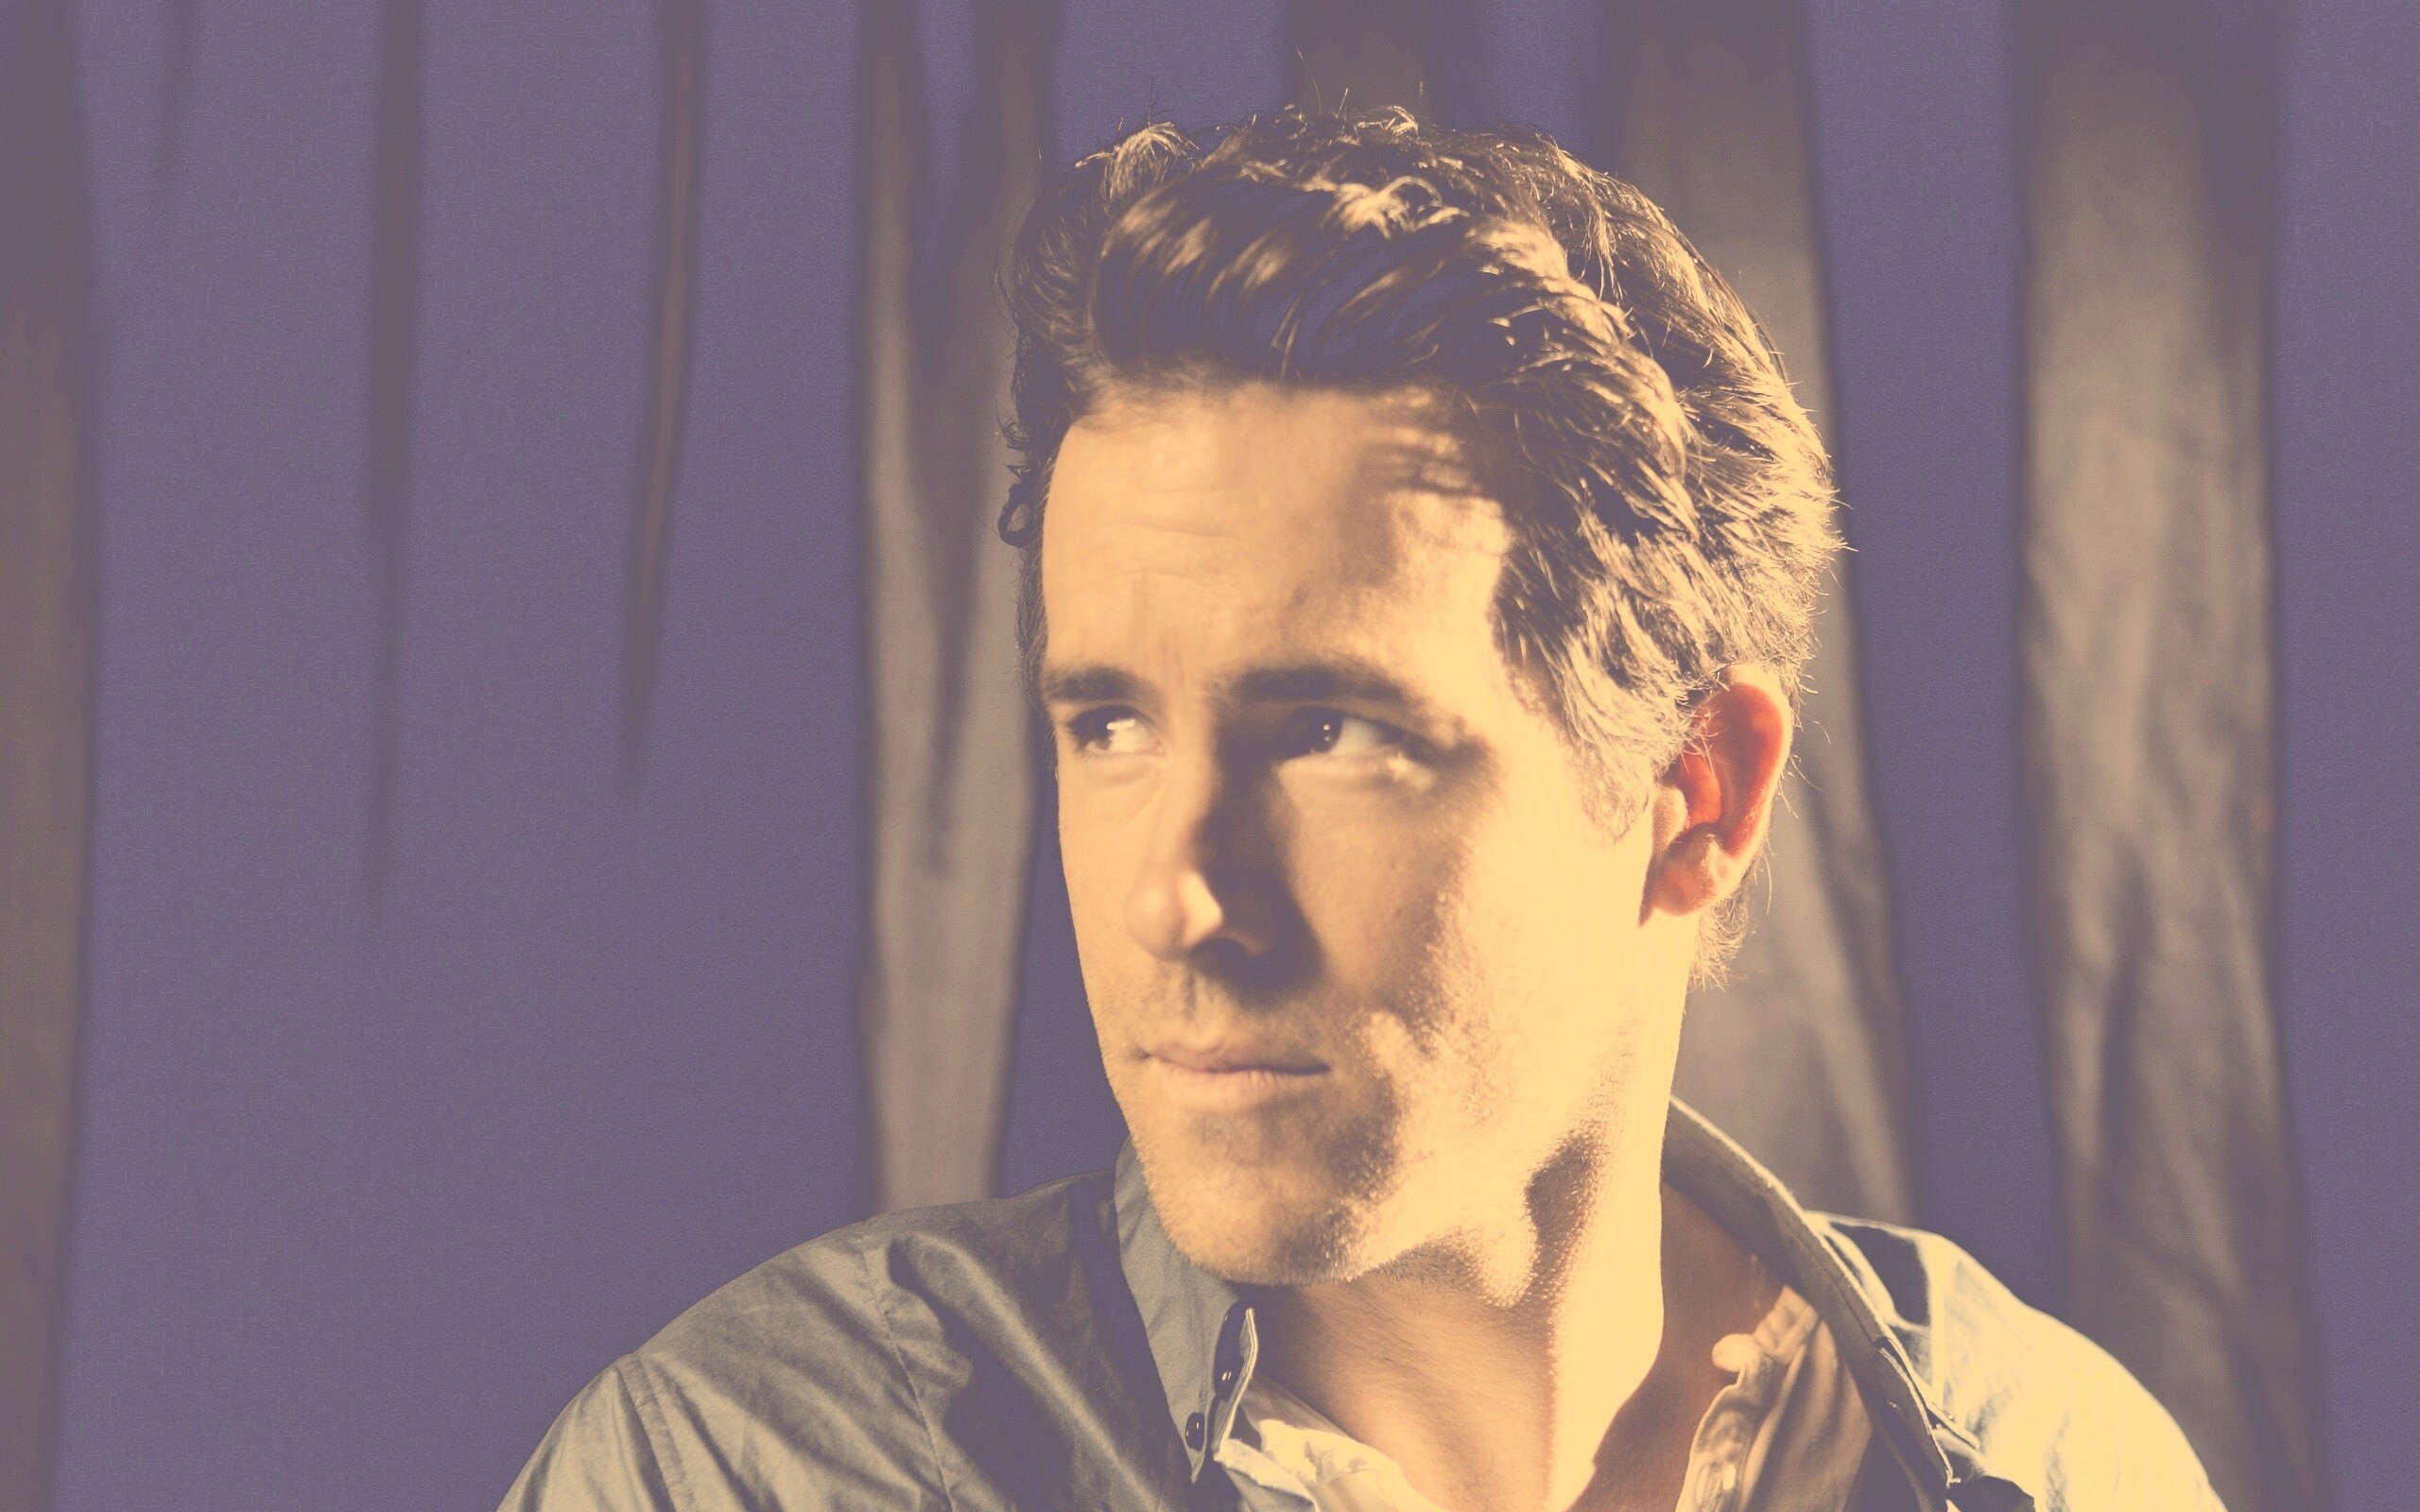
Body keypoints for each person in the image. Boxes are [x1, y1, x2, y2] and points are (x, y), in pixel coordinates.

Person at [500, 110, 2220, 1511]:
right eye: (1109, 723)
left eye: (1327, 732)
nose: (1177, 896)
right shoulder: (747, 1475)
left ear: (1697, 795)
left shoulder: (2063, 1467)